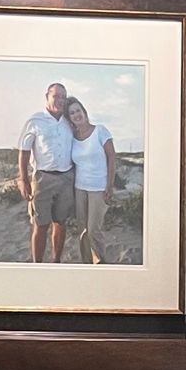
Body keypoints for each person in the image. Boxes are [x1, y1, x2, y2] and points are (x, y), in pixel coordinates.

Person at [14, 80, 76, 262]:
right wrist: (23, 180)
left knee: (61, 222)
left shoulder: (68, 122)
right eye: (56, 96)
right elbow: (24, 152)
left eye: (63, 97)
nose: (60, 100)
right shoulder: (35, 121)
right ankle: (37, 264)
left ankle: (56, 262)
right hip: (43, 179)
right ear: (47, 97)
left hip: (66, 178)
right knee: (41, 225)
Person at [65, 97, 116, 264]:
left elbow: (111, 157)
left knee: (94, 228)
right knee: (83, 229)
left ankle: (101, 263)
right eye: (72, 113)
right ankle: (86, 263)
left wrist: (110, 184)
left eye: (78, 110)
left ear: (84, 111)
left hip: (99, 187)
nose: (76, 114)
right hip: (80, 188)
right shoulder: (72, 137)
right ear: (70, 117)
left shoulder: (100, 130)